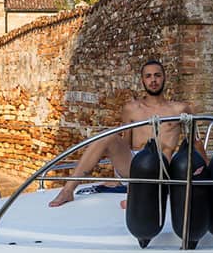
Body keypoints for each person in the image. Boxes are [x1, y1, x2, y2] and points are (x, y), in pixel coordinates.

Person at [49, 59, 193, 207]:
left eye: (157, 75)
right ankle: (67, 191)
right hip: (135, 166)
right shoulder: (132, 108)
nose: (153, 80)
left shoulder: (179, 109)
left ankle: (140, 196)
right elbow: (124, 144)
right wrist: (116, 178)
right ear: (142, 80)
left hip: (163, 168)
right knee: (108, 136)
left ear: (164, 78)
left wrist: (208, 171)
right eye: (148, 76)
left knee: (164, 155)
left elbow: (195, 142)